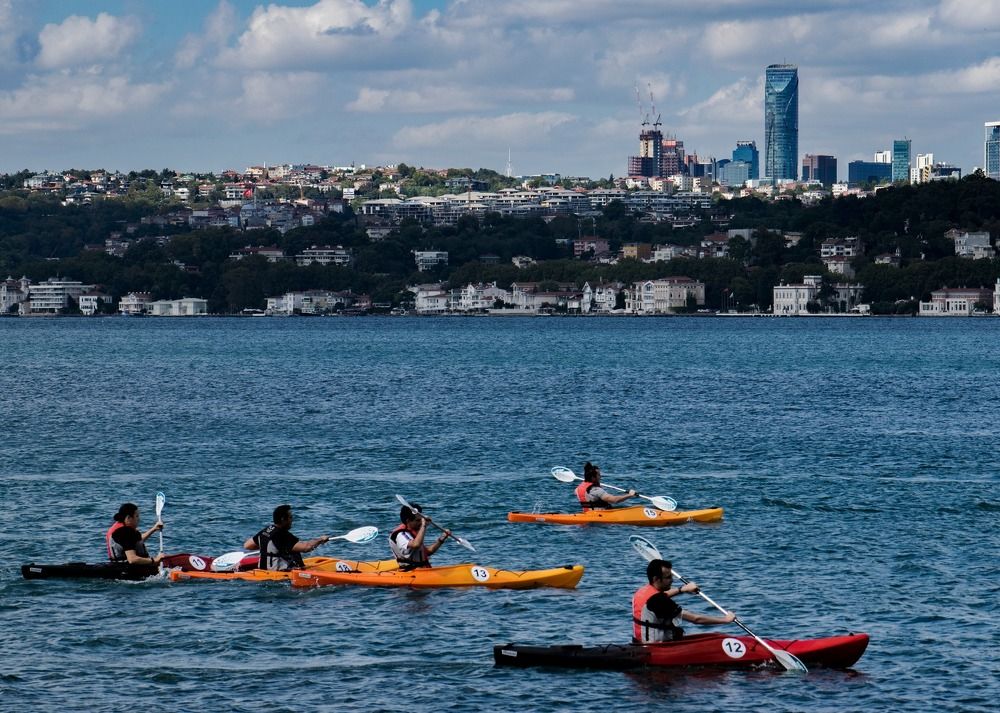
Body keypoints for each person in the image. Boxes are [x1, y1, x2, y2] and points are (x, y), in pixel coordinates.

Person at [632, 558, 736, 643]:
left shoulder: (641, 592)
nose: (672, 580)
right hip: (656, 647)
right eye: (668, 577)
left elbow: (661, 596)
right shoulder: (661, 601)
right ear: (656, 579)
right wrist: (726, 620)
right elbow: (696, 619)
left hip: (638, 642)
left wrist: (682, 589)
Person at [243, 504, 330, 571]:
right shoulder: (282, 535)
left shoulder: (266, 530)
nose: (292, 520)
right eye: (290, 517)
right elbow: (306, 547)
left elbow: (247, 545)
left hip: (262, 570)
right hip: (278, 574)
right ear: (283, 519)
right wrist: (321, 539)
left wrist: (268, 546)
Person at [388, 503, 450, 569]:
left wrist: (441, 539)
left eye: (421, 519)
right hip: (410, 571)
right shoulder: (401, 535)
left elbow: (428, 552)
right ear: (408, 521)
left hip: (422, 570)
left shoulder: (414, 532)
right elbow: (416, 544)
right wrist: (424, 525)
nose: (420, 522)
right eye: (418, 520)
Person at [106, 502, 165, 566]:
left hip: (119, 565)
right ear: (128, 518)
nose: (139, 519)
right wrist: (154, 560)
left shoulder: (122, 530)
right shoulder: (125, 532)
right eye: (136, 516)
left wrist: (154, 529)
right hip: (130, 569)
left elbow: (135, 542)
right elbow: (132, 559)